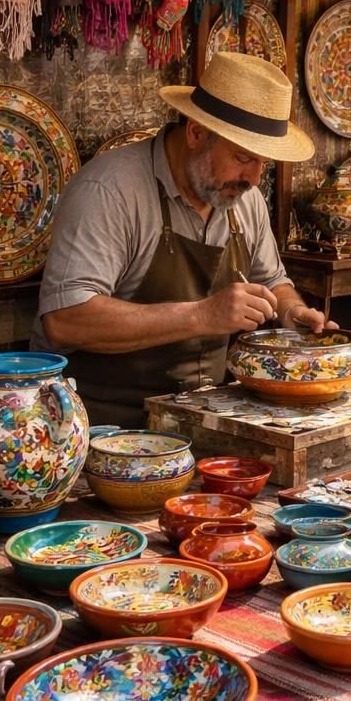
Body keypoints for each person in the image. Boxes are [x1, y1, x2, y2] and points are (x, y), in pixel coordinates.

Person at [33, 52, 332, 426]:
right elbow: (65, 320)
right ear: (195, 132)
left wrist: (290, 311)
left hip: (208, 418)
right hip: (103, 424)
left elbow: (272, 281)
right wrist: (202, 314)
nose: (255, 178)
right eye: (243, 157)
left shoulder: (244, 196)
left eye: (264, 164)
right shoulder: (110, 190)